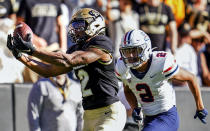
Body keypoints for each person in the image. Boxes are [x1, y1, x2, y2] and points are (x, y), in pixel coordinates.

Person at [7, 8, 126, 131]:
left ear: (94, 25)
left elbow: (70, 60)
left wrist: (33, 50)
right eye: (74, 26)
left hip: (108, 112)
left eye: (79, 26)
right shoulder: (76, 48)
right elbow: (48, 71)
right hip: (89, 114)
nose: (75, 30)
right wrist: (21, 57)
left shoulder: (101, 42)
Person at [114, 29, 208, 131]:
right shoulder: (122, 67)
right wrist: (135, 107)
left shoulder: (161, 63)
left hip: (166, 116)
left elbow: (191, 78)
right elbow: (127, 90)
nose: (130, 56)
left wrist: (200, 107)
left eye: (134, 51)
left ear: (146, 48)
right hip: (147, 118)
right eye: (127, 51)